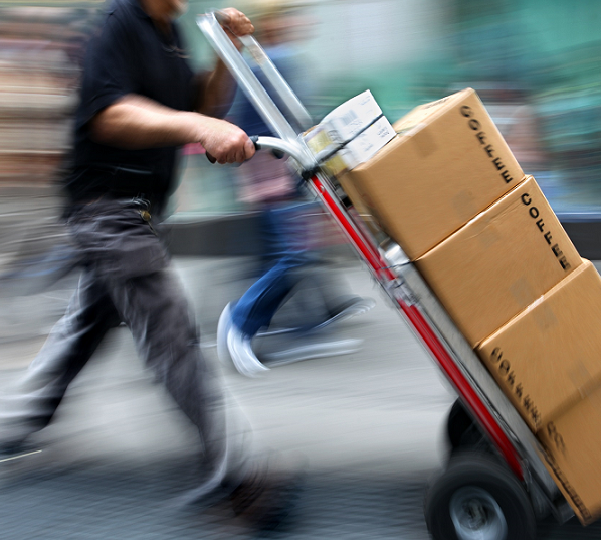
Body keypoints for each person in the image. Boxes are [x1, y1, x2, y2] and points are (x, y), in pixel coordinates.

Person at [0, 0, 294, 528]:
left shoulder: (169, 32)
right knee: (169, 330)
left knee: (86, 326)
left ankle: (17, 423)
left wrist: (222, 55)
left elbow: (201, 105)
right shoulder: (118, 25)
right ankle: (235, 474)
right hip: (107, 210)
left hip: (141, 210)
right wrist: (198, 125)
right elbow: (110, 114)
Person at [217, 1, 374, 377]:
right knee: (294, 256)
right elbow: (298, 119)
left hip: (269, 177)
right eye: (292, 13)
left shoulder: (260, 61)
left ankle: (308, 321)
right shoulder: (277, 60)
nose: (303, 21)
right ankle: (240, 323)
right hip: (282, 177)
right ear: (274, 22)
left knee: (286, 256)